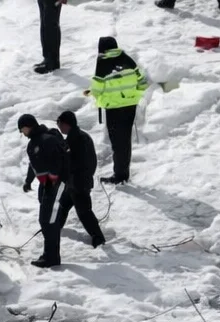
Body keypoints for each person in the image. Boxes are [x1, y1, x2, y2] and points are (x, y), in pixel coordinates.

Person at [85, 37, 149, 185]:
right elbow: (142, 82)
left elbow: (97, 88)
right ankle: (123, 172)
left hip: (113, 107)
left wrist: (93, 93)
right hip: (130, 106)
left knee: (117, 143)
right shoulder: (128, 58)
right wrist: (133, 96)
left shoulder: (103, 61)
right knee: (125, 140)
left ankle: (120, 175)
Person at [19, 114, 68, 267]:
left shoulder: (48, 140)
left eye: (22, 129)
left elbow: (57, 161)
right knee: (47, 220)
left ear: (29, 126)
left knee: (49, 220)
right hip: (46, 184)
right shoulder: (33, 144)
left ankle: (51, 258)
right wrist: (28, 181)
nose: (22, 133)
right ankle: (50, 255)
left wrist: (52, 180)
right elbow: (33, 165)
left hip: (56, 184)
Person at [53, 111, 105, 255]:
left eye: (59, 124)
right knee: (63, 205)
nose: (59, 128)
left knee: (84, 212)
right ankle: (56, 226)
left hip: (79, 183)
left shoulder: (76, 140)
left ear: (65, 124)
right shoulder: (80, 136)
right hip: (74, 183)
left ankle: (98, 237)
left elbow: (75, 162)